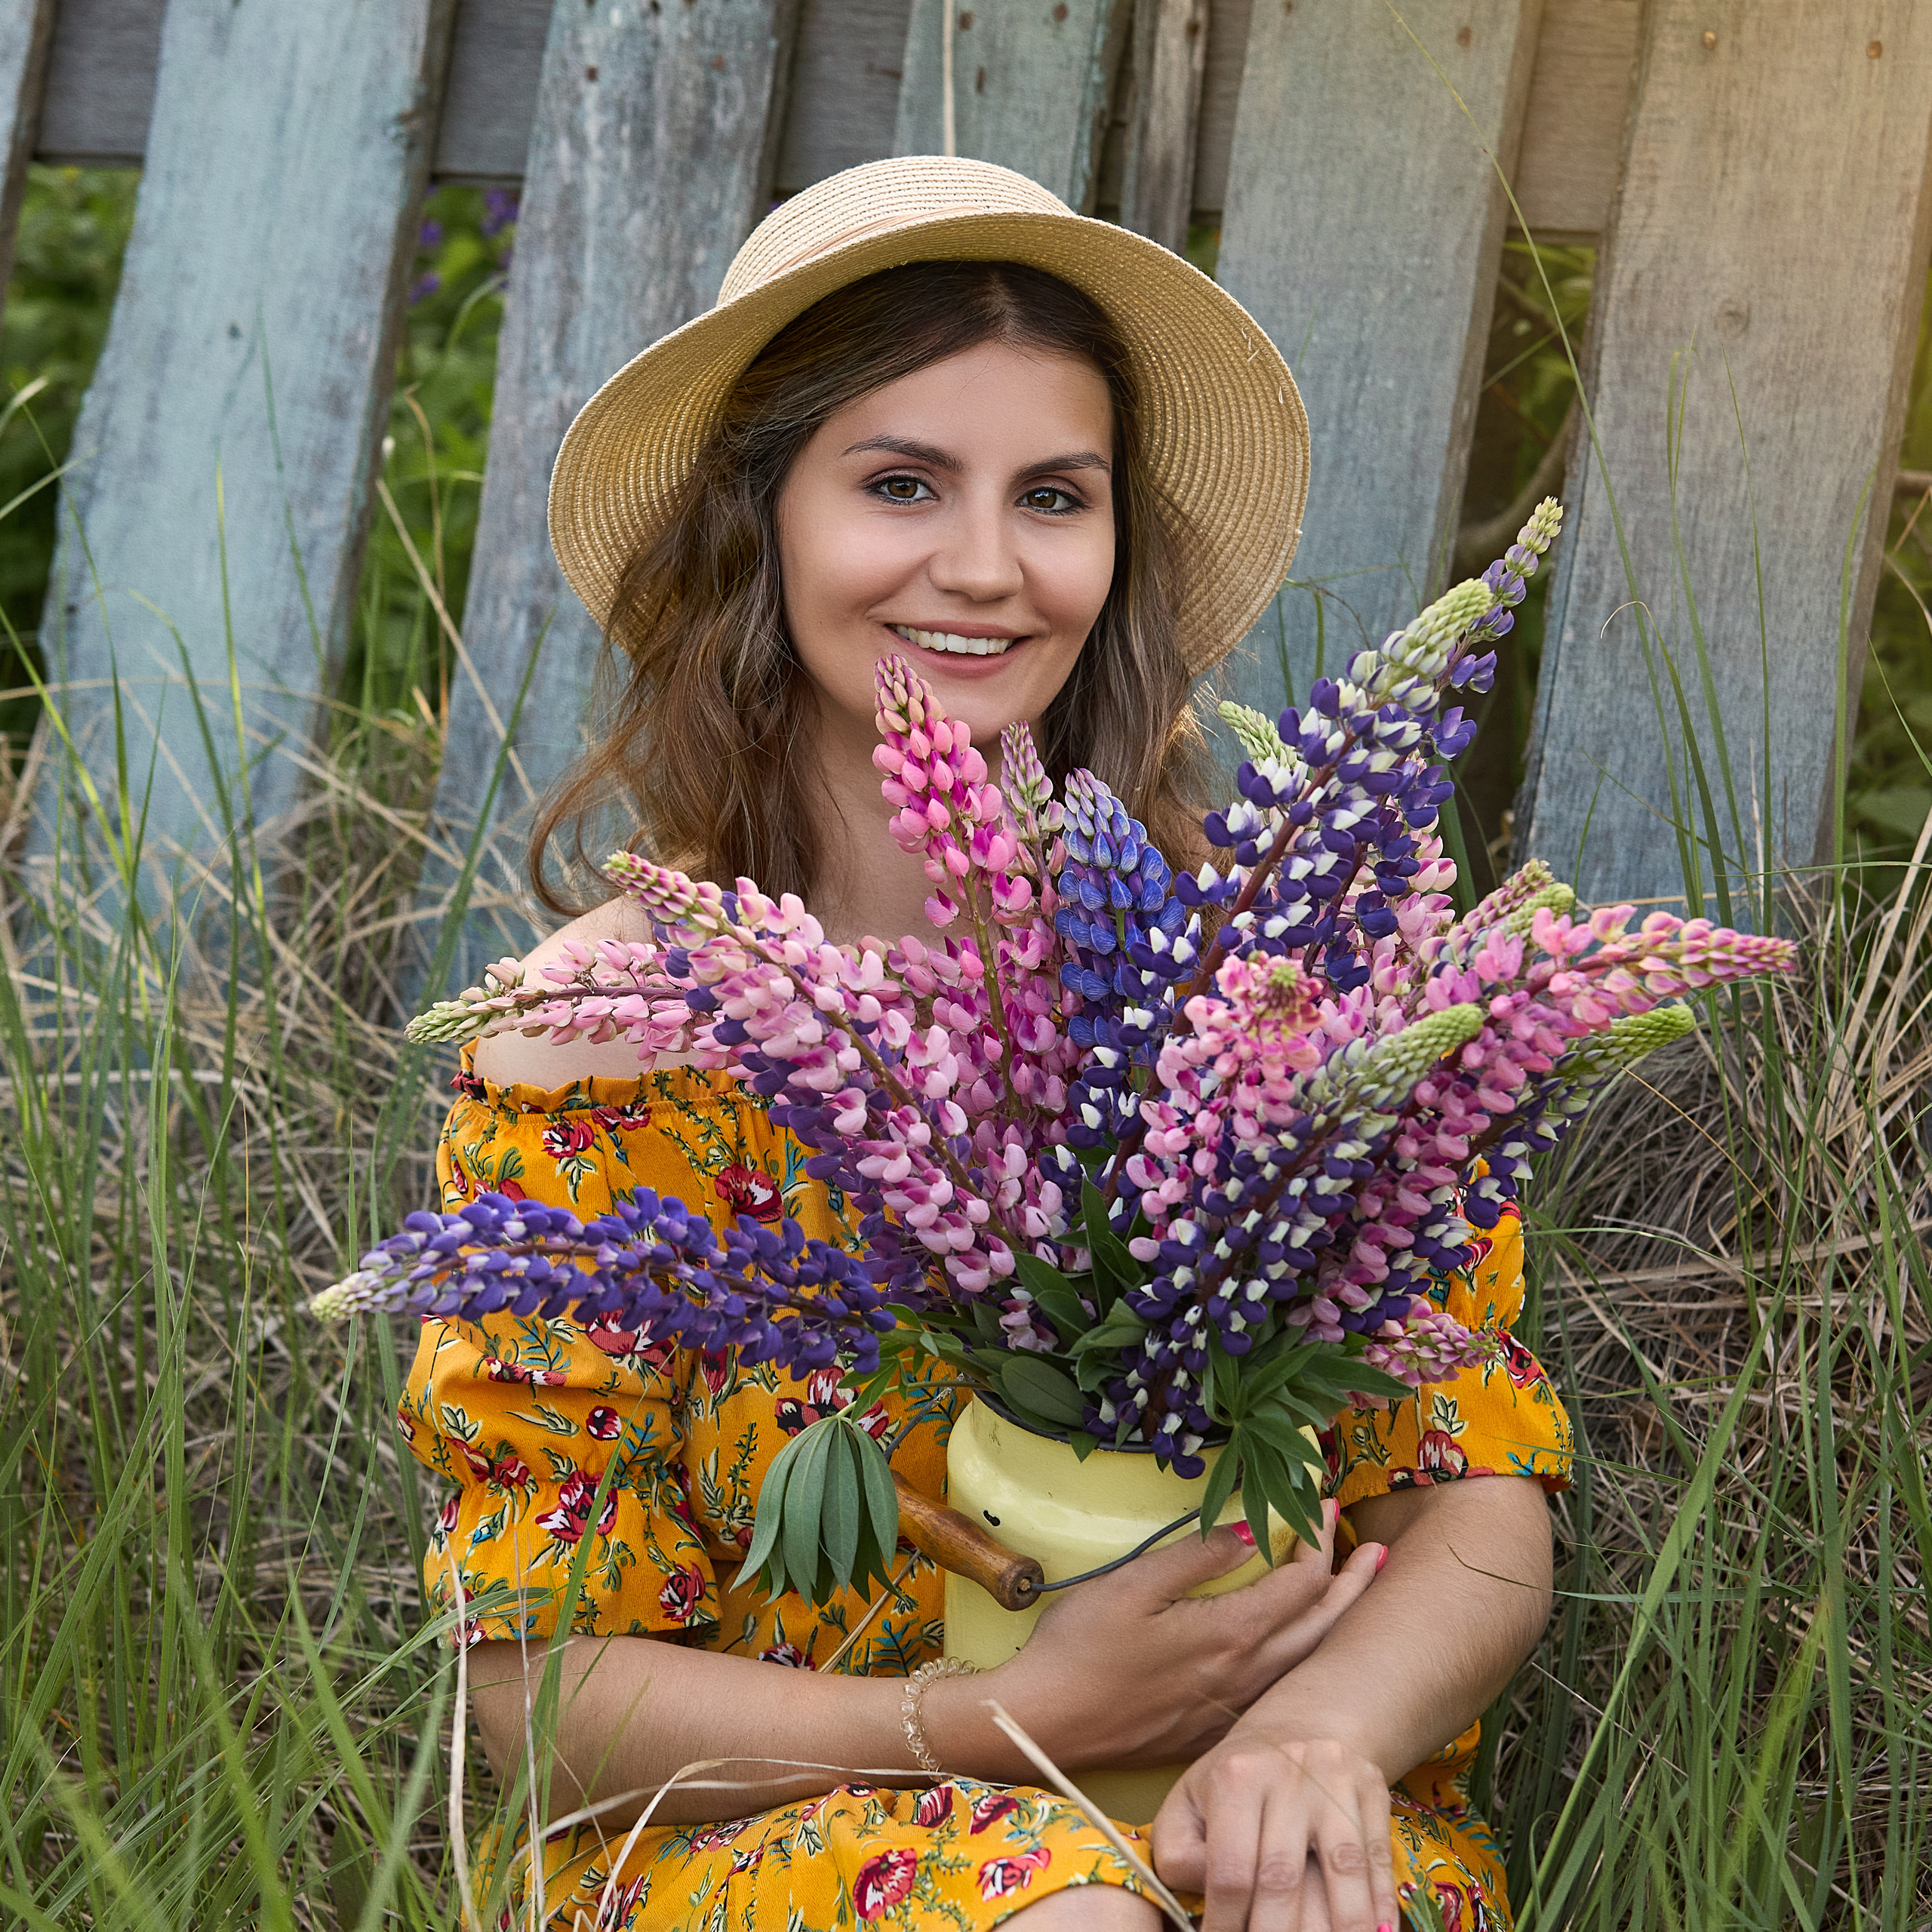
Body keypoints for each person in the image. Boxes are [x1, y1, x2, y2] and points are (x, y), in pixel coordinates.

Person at [400, 156, 1574, 1932]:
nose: (981, 565)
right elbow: (538, 1695)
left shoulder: (1263, 980)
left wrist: (1315, 1733)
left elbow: (1470, 1492)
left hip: (1240, 1800)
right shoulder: (590, 1041)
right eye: (898, 483)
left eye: (1051, 496)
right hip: (773, 1847)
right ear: (756, 522)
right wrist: (998, 1722)